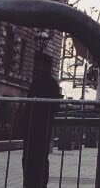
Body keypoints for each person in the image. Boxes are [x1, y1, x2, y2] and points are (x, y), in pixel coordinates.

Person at [21, 52, 62, 188]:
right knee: (36, 158)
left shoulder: (45, 83)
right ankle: (35, 183)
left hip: (38, 127)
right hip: (38, 127)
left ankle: (33, 183)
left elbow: (54, 106)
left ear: (46, 66)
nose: (36, 66)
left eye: (39, 64)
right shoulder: (46, 82)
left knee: (34, 158)